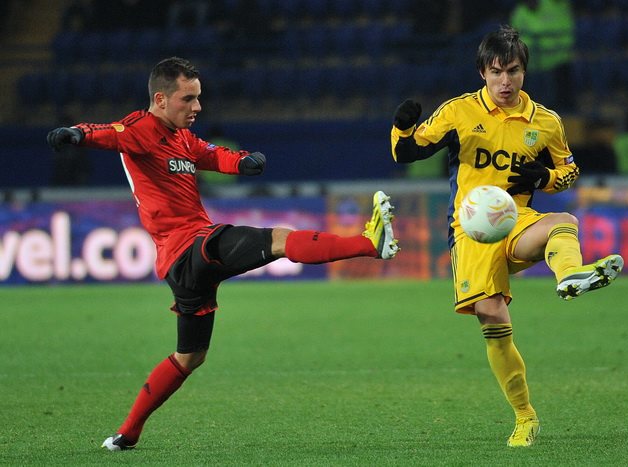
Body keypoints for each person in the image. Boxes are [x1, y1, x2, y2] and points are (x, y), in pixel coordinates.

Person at [46, 56, 400, 451]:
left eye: (198, 98)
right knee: (278, 240)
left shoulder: (182, 137)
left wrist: (242, 161)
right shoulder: (141, 130)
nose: (197, 107)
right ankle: (369, 244)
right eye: (188, 98)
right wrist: (76, 134)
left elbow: (211, 154)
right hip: (188, 247)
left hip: (184, 261)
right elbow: (108, 133)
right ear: (160, 99)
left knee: (189, 357)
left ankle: (126, 435)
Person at [390, 26, 623, 447]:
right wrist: (403, 128)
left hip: (515, 219)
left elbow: (569, 171)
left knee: (563, 220)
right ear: (482, 71)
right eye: (496, 72)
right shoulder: (459, 112)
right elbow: (408, 153)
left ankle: (570, 275)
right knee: (493, 317)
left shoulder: (546, 122)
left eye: (513, 71)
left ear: (524, 72)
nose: (505, 81)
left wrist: (544, 176)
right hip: (471, 230)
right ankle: (525, 417)